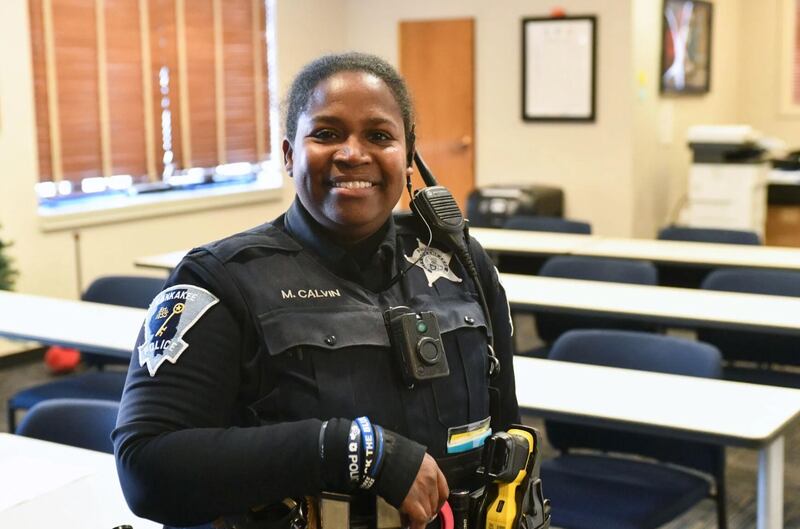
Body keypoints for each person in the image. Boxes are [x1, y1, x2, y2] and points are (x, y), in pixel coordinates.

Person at [113, 52, 519, 529]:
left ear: (408, 156)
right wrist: (349, 450)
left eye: (379, 135)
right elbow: (146, 469)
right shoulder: (219, 281)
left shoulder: (462, 264)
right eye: (326, 134)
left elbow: (508, 442)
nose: (353, 153)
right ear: (289, 154)